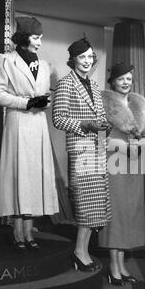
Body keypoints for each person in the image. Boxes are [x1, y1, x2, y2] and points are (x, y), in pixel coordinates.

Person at [0, 16, 59, 253]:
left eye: (41, 37)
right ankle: (18, 233)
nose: (40, 42)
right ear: (24, 37)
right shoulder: (6, 60)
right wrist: (26, 103)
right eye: (36, 37)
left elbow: (46, 95)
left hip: (38, 124)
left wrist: (44, 102)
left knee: (34, 179)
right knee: (19, 176)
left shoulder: (46, 64)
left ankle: (30, 233)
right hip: (18, 122)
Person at [52, 38, 111, 272]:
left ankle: (83, 251)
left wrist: (104, 124)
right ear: (73, 60)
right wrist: (86, 124)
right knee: (87, 204)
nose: (87, 61)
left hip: (97, 148)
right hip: (80, 148)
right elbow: (58, 118)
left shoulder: (94, 85)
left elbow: (100, 115)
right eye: (82, 57)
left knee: (95, 204)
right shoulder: (66, 84)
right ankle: (79, 252)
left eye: (90, 57)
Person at [98, 63, 145, 286]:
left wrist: (141, 144)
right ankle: (113, 267)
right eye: (121, 79)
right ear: (113, 82)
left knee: (130, 213)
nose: (126, 82)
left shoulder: (139, 104)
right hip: (115, 163)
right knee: (117, 214)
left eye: (129, 78)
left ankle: (121, 266)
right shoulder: (102, 103)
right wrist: (122, 146)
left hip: (135, 166)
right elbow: (100, 138)